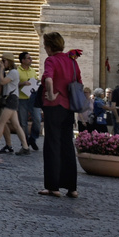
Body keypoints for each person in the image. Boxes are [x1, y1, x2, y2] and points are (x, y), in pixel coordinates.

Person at [38, 32, 82, 198]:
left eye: (45, 45)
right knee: (67, 146)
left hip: (54, 106)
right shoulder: (72, 61)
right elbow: (79, 81)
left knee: (52, 145)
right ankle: (72, 188)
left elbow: (49, 79)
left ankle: (53, 187)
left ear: (49, 46)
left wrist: (50, 94)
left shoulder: (51, 60)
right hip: (68, 108)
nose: (44, 47)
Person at [0, 56, 31, 155]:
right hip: (11, 99)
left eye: (4, 61)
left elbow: (2, 82)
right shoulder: (12, 72)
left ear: (9, 61)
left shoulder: (13, 72)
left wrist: (1, 70)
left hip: (11, 99)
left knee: (1, 123)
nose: (2, 63)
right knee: (16, 125)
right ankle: (25, 147)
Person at [16, 51, 42, 152]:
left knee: (37, 119)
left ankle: (33, 138)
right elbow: (13, 84)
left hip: (32, 98)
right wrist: (22, 83)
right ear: (23, 60)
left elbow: (35, 81)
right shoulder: (17, 71)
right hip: (22, 99)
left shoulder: (32, 70)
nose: (30, 60)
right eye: (28, 58)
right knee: (23, 122)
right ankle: (25, 142)